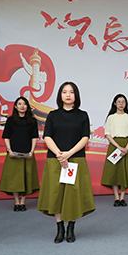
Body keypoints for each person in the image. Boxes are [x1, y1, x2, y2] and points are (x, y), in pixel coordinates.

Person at [37, 81, 95, 243]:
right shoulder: (53, 115)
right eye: (64, 92)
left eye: (71, 92)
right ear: (60, 95)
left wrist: (68, 154)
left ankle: (71, 228)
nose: (68, 95)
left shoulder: (82, 115)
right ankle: (60, 228)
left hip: (75, 159)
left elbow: (85, 137)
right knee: (56, 194)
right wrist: (59, 154)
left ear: (76, 95)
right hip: (55, 160)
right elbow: (47, 136)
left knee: (72, 194)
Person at [0, 96, 40, 211]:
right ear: (16, 107)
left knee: (27, 179)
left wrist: (32, 151)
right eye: (19, 104)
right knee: (14, 180)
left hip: (27, 155)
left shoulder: (32, 120)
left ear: (27, 106)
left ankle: (23, 202)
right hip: (14, 155)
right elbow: (6, 137)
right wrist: (9, 150)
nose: (22, 106)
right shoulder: (11, 120)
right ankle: (17, 202)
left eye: (24, 104)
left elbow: (34, 137)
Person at [100, 94, 128, 207]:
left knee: (124, 172)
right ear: (114, 103)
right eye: (119, 102)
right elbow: (108, 134)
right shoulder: (111, 118)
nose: (121, 104)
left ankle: (122, 198)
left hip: (126, 146)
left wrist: (126, 148)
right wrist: (118, 147)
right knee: (115, 172)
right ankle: (116, 198)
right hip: (114, 146)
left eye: (123, 102)